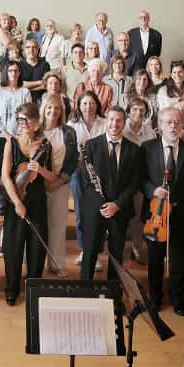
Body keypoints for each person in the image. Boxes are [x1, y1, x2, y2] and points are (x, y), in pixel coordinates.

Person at [142, 108, 184, 315]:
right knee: (155, 260)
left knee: (179, 260)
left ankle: (178, 298)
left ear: (182, 126)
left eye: (177, 122)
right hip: (156, 215)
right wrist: (152, 189)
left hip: (182, 213)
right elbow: (139, 179)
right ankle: (155, 298)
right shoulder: (147, 148)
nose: (173, 126)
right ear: (159, 125)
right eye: (168, 122)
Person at [0, 103, 56, 305]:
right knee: (13, 248)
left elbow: (52, 176)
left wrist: (40, 170)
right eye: (20, 120)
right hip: (16, 200)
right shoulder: (12, 143)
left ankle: (33, 289)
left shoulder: (45, 145)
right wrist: (17, 202)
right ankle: (12, 289)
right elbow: (5, 177)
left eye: (27, 120)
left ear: (36, 122)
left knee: (36, 248)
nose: (23, 124)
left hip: (37, 201)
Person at [80, 106, 142, 280]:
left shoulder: (134, 150)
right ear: (106, 120)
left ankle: (113, 292)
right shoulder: (91, 145)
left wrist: (117, 205)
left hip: (119, 209)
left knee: (116, 253)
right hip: (95, 208)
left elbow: (134, 183)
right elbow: (86, 180)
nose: (115, 124)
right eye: (112, 119)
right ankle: (85, 288)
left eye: (119, 120)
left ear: (124, 122)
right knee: (90, 249)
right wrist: (102, 203)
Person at [40, 94, 77, 273]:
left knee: (58, 225)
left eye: (57, 108)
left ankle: (56, 264)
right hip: (37, 185)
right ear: (43, 110)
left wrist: (60, 180)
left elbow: (73, 159)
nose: (53, 111)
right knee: (38, 225)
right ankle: (34, 263)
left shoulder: (69, 132)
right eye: (49, 108)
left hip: (60, 185)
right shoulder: (35, 130)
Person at [71, 91, 107, 269]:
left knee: (98, 214)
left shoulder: (105, 123)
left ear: (97, 105)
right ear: (79, 105)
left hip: (101, 174)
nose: (88, 107)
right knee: (80, 213)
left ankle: (97, 252)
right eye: (84, 103)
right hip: (78, 173)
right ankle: (85, 249)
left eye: (91, 103)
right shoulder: (72, 124)